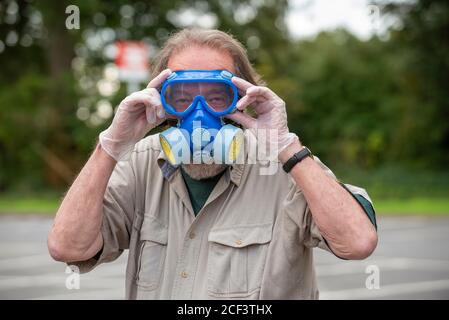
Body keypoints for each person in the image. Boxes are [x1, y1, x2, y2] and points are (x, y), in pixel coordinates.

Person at [48, 28, 377, 299]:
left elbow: (358, 242)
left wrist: (286, 145)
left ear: (243, 98)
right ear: (163, 100)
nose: (199, 112)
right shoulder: (141, 163)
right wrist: (111, 146)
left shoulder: (281, 164)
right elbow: (68, 247)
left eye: (217, 95)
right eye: (183, 95)